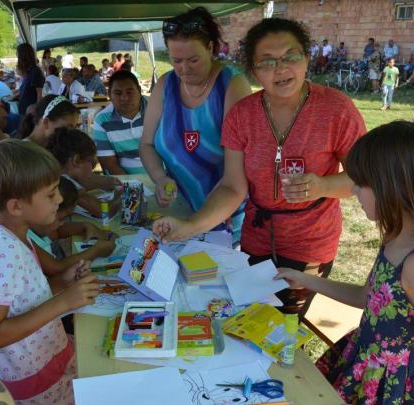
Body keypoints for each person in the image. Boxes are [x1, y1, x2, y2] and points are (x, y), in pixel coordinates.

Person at [153, 17, 366, 316]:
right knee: (253, 319)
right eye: (267, 62)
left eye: (290, 57)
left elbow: (365, 178)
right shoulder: (242, 115)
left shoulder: (337, 110)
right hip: (257, 238)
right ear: (253, 71)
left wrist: (322, 185)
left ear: (307, 58)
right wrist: (190, 227)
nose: (280, 69)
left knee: (286, 326)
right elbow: (231, 186)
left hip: (310, 241)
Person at [276, 121, 414, 403]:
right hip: (366, 362)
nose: (354, 192)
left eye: (362, 184)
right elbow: (368, 296)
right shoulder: (395, 237)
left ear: (394, 187)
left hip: (394, 386)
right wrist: (305, 280)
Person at [0, 139, 99, 403]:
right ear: (17, 206)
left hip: (49, 357)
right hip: (36, 380)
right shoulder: (2, 249)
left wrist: (64, 282)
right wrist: (64, 301)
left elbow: (27, 299)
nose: (60, 199)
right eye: (51, 193)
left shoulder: (18, 234)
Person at [140, 6, 252, 241]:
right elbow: (147, 144)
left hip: (225, 215)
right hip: (180, 210)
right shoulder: (165, 85)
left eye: (193, 59)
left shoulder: (232, 86)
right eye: (176, 60)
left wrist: (198, 222)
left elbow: (238, 170)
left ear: (211, 48)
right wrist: (160, 178)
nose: (184, 69)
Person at [29, 177, 115, 275]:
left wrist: (84, 226)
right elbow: (57, 268)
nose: (62, 223)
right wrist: (96, 251)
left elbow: (57, 232)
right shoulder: (26, 239)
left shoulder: (39, 228)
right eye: (61, 219)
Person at [47, 128, 122, 218]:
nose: (92, 171)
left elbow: (87, 182)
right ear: (77, 160)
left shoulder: (52, 171)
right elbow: (104, 212)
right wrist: (119, 197)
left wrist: (105, 182)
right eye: (92, 164)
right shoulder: (66, 185)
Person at [94, 70, 148, 175]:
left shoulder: (158, 109)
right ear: (109, 94)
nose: (125, 98)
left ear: (139, 90)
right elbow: (109, 164)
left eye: (129, 92)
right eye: (118, 93)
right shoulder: (102, 120)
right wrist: (132, 186)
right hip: (126, 184)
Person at [16, 43, 44, 115]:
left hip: (30, 114)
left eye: (18, 55)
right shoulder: (28, 71)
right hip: (24, 111)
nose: (17, 58)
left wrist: (36, 112)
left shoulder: (35, 71)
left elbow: (39, 95)